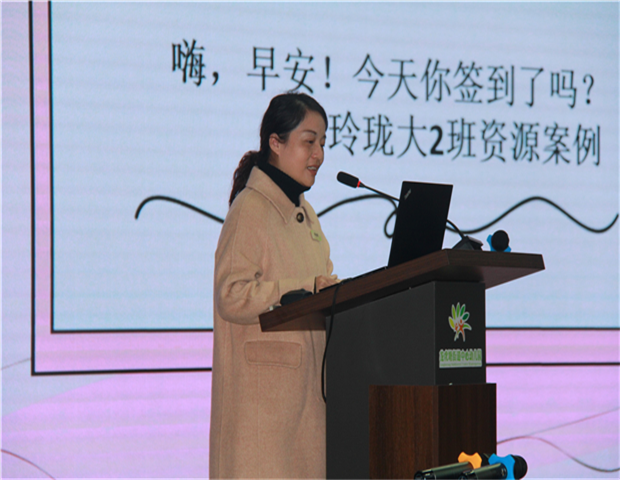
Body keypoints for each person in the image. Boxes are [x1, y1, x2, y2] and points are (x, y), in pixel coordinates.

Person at [209, 93, 338, 479]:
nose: (318, 155)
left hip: (305, 402)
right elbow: (230, 295)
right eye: (309, 141)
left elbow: (323, 286)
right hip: (263, 411)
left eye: (323, 143)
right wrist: (300, 288)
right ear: (276, 143)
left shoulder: (306, 214)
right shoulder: (250, 209)